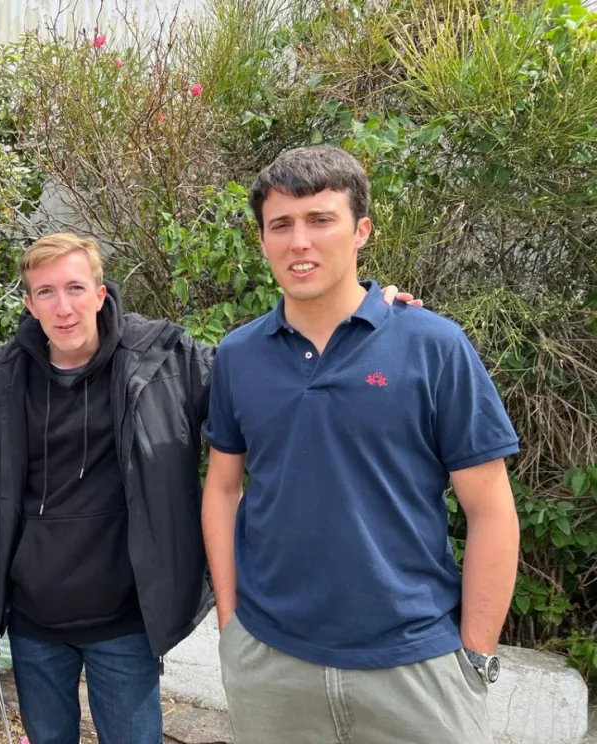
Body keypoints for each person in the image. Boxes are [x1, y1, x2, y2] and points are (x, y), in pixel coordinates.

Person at [0, 232, 419, 744]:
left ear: (101, 294)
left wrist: (355, 320)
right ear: (29, 303)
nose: (63, 307)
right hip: (34, 618)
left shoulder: (162, 359)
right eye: (46, 293)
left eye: (75, 288)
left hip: (125, 619)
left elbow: (258, 380)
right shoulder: (2, 379)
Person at [202, 145, 521, 744]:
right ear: (263, 240)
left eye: (321, 220)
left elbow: (491, 509)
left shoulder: (434, 346)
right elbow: (222, 488)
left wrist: (474, 656)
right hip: (272, 663)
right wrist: (231, 627)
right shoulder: (238, 357)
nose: (300, 241)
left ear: (361, 231)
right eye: (282, 225)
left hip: (415, 667)